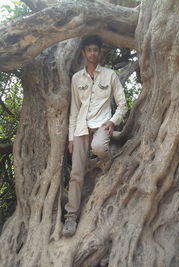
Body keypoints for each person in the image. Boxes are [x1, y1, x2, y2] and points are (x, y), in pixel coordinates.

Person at [62, 35, 127, 237]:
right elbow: (74, 109)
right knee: (76, 173)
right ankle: (71, 217)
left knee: (99, 148)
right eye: (89, 50)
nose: (92, 53)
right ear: (83, 52)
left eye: (95, 50)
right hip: (81, 128)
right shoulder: (76, 78)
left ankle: (105, 160)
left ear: (100, 52)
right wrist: (71, 137)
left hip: (101, 125)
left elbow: (123, 104)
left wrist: (112, 121)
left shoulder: (110, 75)